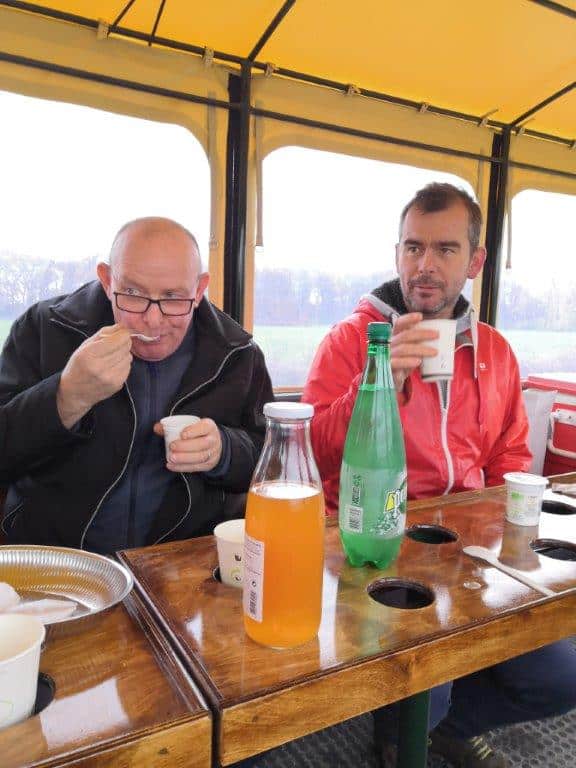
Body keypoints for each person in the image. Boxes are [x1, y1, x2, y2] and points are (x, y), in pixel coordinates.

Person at [303, 183, 576, 767]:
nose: (424, 265)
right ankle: (404, 734)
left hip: (472, 554)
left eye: (445, 249)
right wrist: (376, 381)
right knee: (432, 677)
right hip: (373, 542)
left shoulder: (496, 352)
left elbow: (509, 453)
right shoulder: (351, 341)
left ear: (475, 262)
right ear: (397, 253)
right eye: (412, 247)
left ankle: (441, 727)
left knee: (562, 674)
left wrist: (502, 535)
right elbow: (313, 459)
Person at [0, 217, 273, 554]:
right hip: (54, 560)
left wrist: (224, 451)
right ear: (106, 279)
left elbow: (271, 461)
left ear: (200, 290)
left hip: (178, 572)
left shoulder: (239, 356)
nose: (153, 320)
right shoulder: (44, 329)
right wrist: (66, 396)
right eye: (132, 293)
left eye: (173, 298)